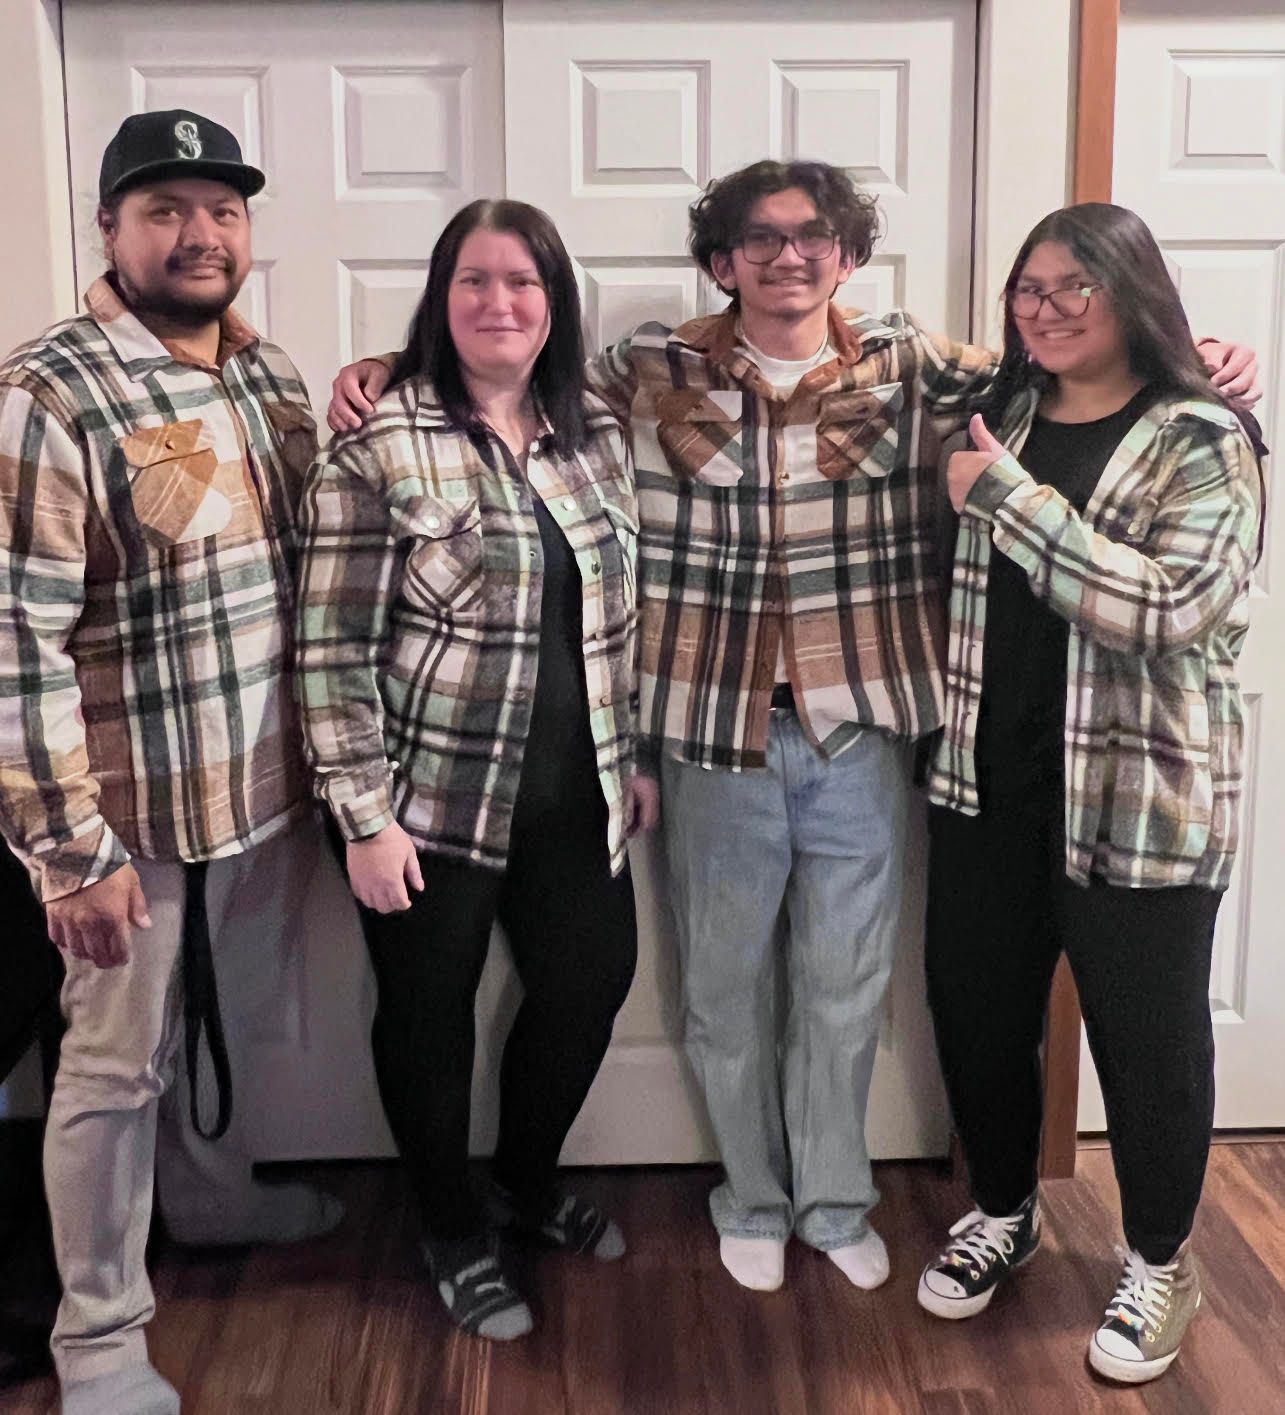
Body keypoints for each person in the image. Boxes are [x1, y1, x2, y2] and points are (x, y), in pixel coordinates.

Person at [327, 162, 1257, 1298]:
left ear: (847, 254)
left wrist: (1206, 352)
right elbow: (509, 357)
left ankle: (831, 1195)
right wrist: (389, 364)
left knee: (843, 984)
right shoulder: (644, 370)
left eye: (812, 236)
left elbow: (1080, 357)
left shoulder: (918, 366)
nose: (786, 256)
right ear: (721, 262)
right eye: (755, 241)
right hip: (709, 734)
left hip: (858, 734)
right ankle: (751, 1196)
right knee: (720, 993)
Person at [0, 110, 341, 1415]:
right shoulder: (54, 389)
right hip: (126, 811)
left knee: (231, 1019)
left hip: (259, 792)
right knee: (112, 1066)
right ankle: (98, 1334)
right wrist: (66, 850)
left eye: (222, 209)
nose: (200, 234)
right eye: (166, 210)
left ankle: (209, 1199)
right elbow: (14, 640)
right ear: (110, 229)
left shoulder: (268, 376)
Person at [296, 198, 656, 1342]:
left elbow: (615, 618)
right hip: (424, 808)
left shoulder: (595, 430)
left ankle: (523, 1180)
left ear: (556, 305)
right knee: (426, 1015)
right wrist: (362, 815)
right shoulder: (378, 440)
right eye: (474, 281)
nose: (499, 304)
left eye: (524, 283)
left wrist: (630, 756)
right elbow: (329, 644)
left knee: (589, 986)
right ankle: (451, 1225)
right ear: (439, 300)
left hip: (577, 794)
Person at [916, 202, 1263, 1387]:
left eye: (1079, 287)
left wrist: (1006, 501)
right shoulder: (993, 407)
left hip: (1136, 799)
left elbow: (1166, 609)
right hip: (984, 783)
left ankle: (1164, 1258)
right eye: (1031, 288)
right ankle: (1003, 1210)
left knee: (1147, 1043)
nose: (1050, 308)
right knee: (976, 1017)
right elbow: (838, 342)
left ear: (1133, 294)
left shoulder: (1204, 435)